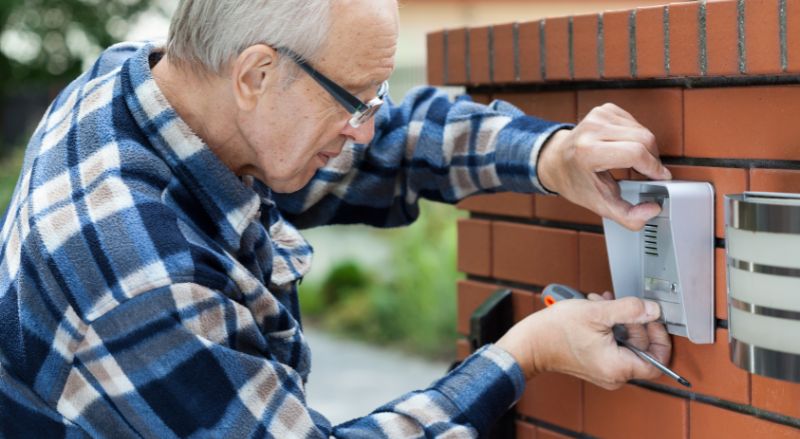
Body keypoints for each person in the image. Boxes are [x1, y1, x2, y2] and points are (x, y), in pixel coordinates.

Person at [0, 0, 674, 437]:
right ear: (256, 75)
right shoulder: (134, 271)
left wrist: (548, 154)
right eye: (356, 101)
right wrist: (524, 353)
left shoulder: (155, 91)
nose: (366, 127)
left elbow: (392, 145)